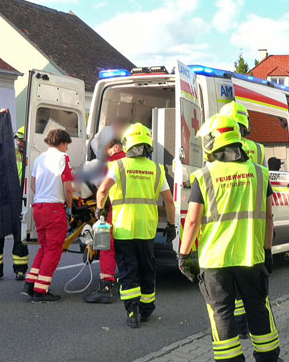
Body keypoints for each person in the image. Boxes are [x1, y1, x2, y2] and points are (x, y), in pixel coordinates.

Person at [177, 114, 284, 362]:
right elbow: (269, 218)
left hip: (215, 260)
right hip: (251, 256)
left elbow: (192, 220)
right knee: (257, 309)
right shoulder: (260, 173)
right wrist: (268, 251)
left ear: (213, 143)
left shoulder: (204, 176)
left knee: (221, 313)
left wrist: (185, 254)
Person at [95, 123, 176, 328]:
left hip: (123, 229)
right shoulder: (156, 169)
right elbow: (169, 201)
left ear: (128, 144)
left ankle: (132, 311)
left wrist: (100, 209)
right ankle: (147, 309)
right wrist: (172, 225)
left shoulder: (119, 166)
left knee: (127, 271)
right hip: (146, 230)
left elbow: (103, 190)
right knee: (147, 269)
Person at [219, 101, 267, 338]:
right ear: (246, 123)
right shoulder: (258, 148)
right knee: (253, 285)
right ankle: (252, 324)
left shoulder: (222, 146)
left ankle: (240, 327)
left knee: (232, 284)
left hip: (227, 219)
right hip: (254, 218)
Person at [21, 129, 75, 302]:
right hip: (54, 210)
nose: (67, 149)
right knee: (53, 250)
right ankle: (41, 291)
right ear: (61, 144)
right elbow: (68, 187)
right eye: (66, 146)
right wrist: (70, 206)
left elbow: (33, 186)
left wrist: (45, 195)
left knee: (44, 248)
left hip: (39, 207)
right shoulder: (62, 158)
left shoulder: (39, 159)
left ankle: (30, 283)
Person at [0, 125, 29, 282]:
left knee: (19, 239)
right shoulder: (9, 154)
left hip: (20, 202)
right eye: (18, 140)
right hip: (2, 201)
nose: (20, 143)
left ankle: (20, 270)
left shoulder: (32, 156)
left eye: (23, 141)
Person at [84, 139, 126, 304]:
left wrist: (99, 209)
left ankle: (106, 286)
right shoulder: (137, 163)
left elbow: (101, 188)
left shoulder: (113, 163)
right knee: (129, 250)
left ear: (115, 147)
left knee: (107, 247)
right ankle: (130, 286)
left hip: (116, 211)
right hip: (140, 215)